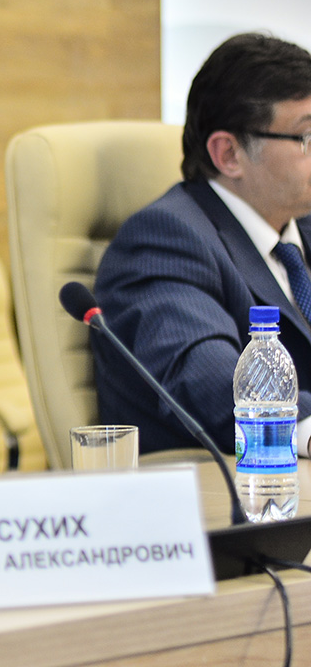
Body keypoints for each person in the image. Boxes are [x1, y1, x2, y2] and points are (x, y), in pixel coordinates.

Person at [94, 32, 311, 456]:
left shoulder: (301, 227)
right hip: (223, 483)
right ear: (229, 154)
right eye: (306, 136)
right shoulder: (163, 242)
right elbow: (213, 385)